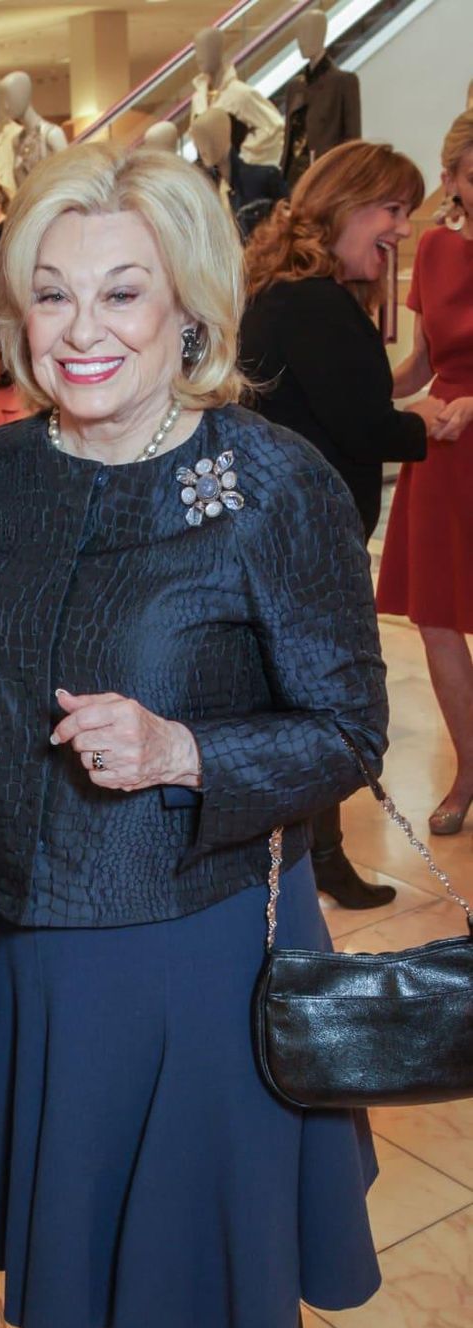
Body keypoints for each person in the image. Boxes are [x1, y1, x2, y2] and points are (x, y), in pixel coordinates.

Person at [0, 142, 387, 1328]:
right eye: (54, 292)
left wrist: (185, 750)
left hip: (203, 947)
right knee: (108, 1227)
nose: (81, 330)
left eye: (121, 295)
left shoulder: (268, 483)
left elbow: (352, 731)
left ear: (187, 309)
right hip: (42, 947)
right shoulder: (2, 472)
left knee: (239, 1272)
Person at [240, 140, 438, 908]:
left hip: (295, 537)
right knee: (326, 703)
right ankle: (314, 859)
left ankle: (317, 854)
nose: (401, 229)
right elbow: (362, 427)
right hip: (307, 544)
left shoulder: (298, 293)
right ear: (349, 204)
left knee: (312, 698)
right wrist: (429, 425)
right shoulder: (314, 302)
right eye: (392, 210)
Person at [376, 110, 473, 835]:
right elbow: (419, 363)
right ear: (453, 182)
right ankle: (468, 771)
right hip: (442, 446)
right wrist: (356, 395)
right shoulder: (435, 249)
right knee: (438, 620)